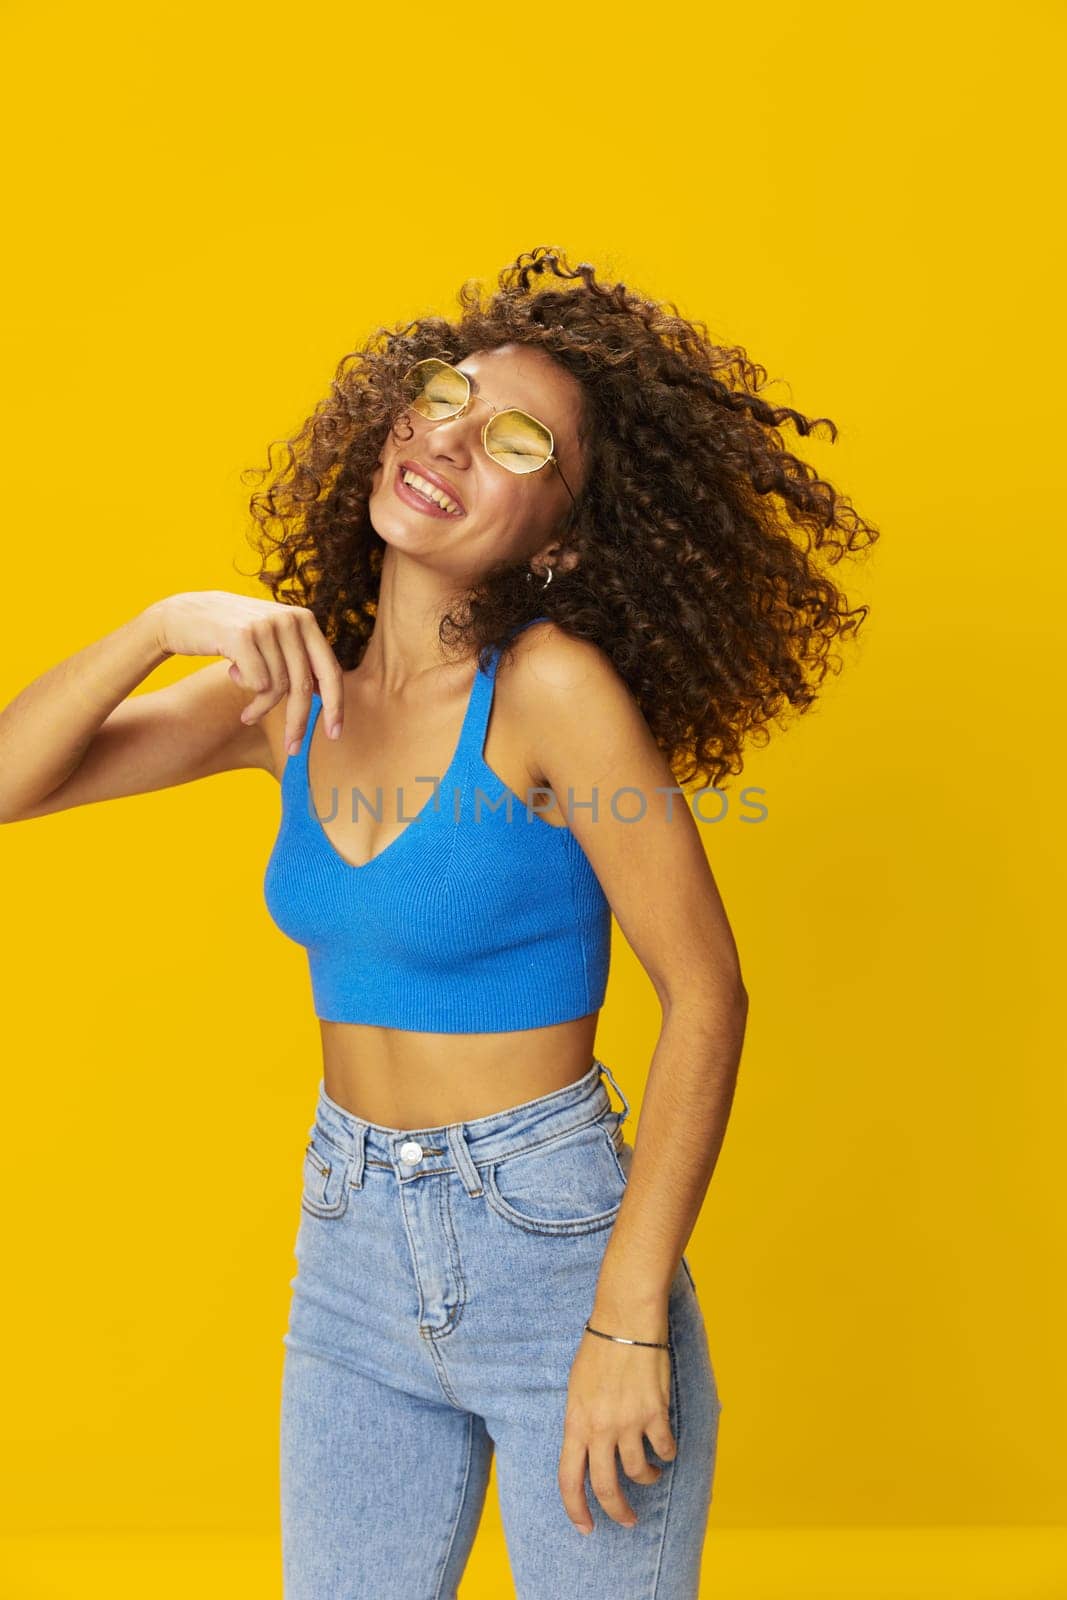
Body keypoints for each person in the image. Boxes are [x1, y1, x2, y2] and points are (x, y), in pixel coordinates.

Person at [0, 246, 878, 1598]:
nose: (450, 440)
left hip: (555, 1250)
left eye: (516, 441)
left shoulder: (550, 692)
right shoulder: (287, 702)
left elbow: (707, 994)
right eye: (442, 399)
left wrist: (629, 1318)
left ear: (565, 536)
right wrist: (168, 621)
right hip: (349, 1249)